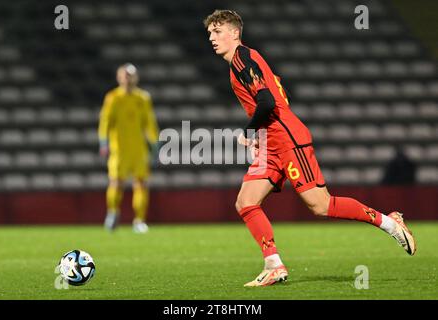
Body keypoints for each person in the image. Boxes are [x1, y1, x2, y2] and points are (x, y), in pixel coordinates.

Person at [204, 10, 416, 287]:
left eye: (217, 31)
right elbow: (278, 96)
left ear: (234, 33)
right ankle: (274, 265)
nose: (212, 37)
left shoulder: (243, 58)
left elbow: (267, 102)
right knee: (246, 202)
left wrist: (249, 132)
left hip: (289, 141)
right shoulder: (245, 60)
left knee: (321, 205)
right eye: (209, 33)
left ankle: (389, 223)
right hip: (273, 143)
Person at [98, 63, 159, 233]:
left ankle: (139, 220)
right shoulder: (113, 98)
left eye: (131, 75)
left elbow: (149, 123)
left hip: (138, 149)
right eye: (125, 75)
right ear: (119, 78)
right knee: (116, 183)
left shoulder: (143, 98)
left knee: (141, 184)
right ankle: (112, 212)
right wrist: (104, 142)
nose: (128, 79)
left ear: (136, 78)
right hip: (119, 149)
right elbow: (105, 122)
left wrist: (155, 143)